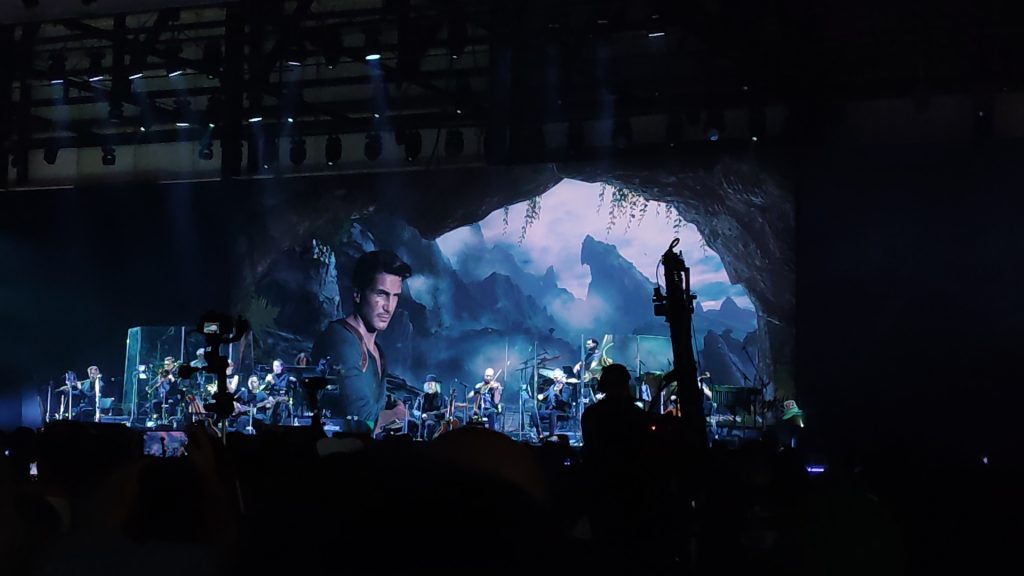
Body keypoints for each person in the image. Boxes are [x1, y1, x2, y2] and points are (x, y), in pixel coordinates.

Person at [311, 250, 412, 434]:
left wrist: (391, 403)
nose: (389, 306)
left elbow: (371, 404)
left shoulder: (376, 350)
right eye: (381, 294)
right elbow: (362, 420)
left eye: (395, 296)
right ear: (358, 293)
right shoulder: (340, 340)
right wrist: (395, 414)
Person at [534, 369, 571, 438]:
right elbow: (545, 394)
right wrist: (541, 396)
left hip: (561, 411)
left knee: (553, 413)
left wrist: (558, 394)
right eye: (554, 378)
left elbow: (563, 402)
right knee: (535, 413)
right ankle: (540, 434)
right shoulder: (552, 386)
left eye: (556, 378)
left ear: (561, 377)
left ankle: (551, 435)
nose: (554, 380)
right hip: (550, 410)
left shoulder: (566, 388)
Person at [263, 359, 296, 425]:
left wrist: (273, 383)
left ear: (281, 367)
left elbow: (283, 388)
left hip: (283, 397)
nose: (275, 368)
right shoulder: (271, 376)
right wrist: (266, 382)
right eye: (274, 366)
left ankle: (280, 421)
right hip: (272, 397)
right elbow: (265, 390)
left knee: (281, 405)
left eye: (277, 366)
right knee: (268, 404)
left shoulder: (286, 376)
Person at [418, 375, 446, 440]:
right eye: (428, 384)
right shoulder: (421, 397)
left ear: (436, 385)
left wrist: (437, 414)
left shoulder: (442, 397)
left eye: (431, 384)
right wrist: (421, 415)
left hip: (437, 420)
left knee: (430, 424)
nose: (429, 386)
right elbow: (415, 410)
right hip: (424, 420)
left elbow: (446, 409)